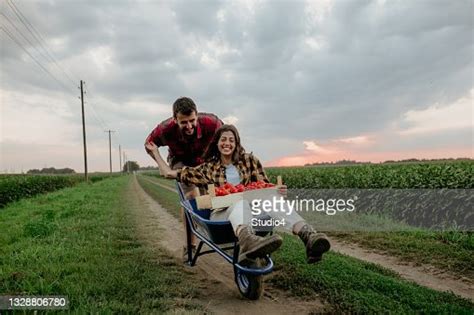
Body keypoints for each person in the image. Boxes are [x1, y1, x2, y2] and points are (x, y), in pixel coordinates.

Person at [146, 124, 331, 264]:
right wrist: (155, 153)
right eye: (223, 139)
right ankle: (248, 240)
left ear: (237, 143)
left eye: (231, 140)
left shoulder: (250, 161)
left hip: (253, 211)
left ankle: (309, 236)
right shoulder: (208, 168)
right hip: (222, 215)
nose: (227, 143)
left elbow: (262, 186)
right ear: (217, 143)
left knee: (273, 201)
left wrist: (276, 190)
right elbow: (169, 173)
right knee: (239, 202)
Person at [145, 97, 223, 254]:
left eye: (192, 120)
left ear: (197, 114)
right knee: (191, 197)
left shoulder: (212, 123)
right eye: (184, 122)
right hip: (181, 161)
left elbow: (228, 140)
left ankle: (218, 233)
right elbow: (148, 144)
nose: (189, 126)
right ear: (175, 119)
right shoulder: (165, 129)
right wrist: (163, 166)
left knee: (216, 196)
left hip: (205, 160)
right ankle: (190, 246)